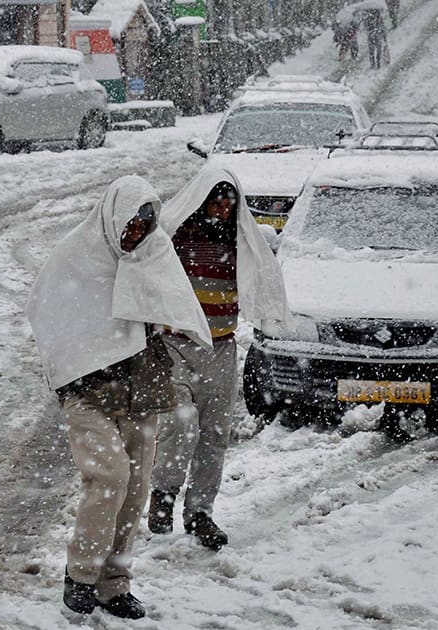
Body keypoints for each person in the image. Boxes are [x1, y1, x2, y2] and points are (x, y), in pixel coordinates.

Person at [25, 176, 211, 618]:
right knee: (109, 476)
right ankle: (81, 573)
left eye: (145, 226)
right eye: (131, 225)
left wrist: (165, 322)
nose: (136, 235)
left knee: (136, 487)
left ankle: (114, 583)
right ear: (114, 217)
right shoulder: (76, 257)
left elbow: (174, 304)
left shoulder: (153, 253)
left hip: (141, 386)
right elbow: (46, 313)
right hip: (87, 390)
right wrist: (77, 363)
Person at [148, 166, 290, 551]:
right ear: (201, 200)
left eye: (229, 202)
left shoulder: (240, 241)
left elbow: (261, 278)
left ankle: (199, 513)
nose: (223, 209)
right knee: (181, 421)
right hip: (174, 344)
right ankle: (162, 495)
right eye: (215, 200)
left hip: (221, 348)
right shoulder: (174, 239)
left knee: (214, 434)